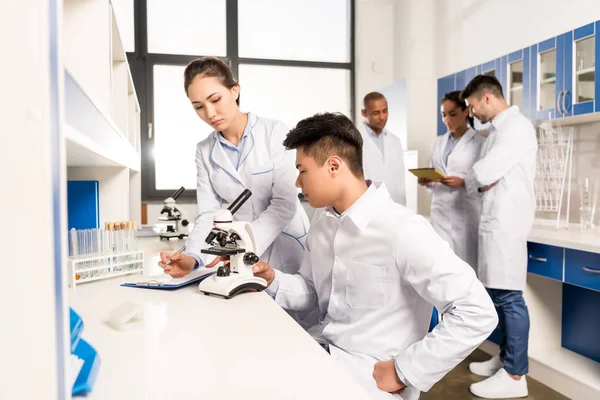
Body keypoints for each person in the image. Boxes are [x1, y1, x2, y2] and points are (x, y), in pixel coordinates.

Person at [248, 112, 497, 400]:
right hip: (322, 355)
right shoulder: (321, 221)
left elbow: (477, 312)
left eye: (302, 171)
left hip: (368, 380)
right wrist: (273, 280)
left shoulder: (403, 230)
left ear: (333, 166)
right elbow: (312, 290)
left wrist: (405, 371)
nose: (297, 184)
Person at [157, 57, 311, 315]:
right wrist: (194, 258)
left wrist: (241, 247)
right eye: (198, 107)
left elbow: (284, 204)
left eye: (215, 100)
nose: (210, 113)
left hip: (287, 247)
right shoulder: (204, 150)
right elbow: (209, 213)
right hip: (240, 254)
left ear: (234, 90)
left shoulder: (274, 132)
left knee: (295, 323)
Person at [461, 75, 537, 399]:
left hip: (506, 225)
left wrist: (477, 176)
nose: (472, 112)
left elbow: (483, 173)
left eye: (472, 105)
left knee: (510, 299)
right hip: (496, 223)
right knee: (500, 296)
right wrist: (478, 177)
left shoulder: (515, 128)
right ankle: (506, 360)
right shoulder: (498, 130)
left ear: (487, 99)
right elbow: (480, 176)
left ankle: (516, 377)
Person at [418, 90, 484, 270]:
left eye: (452, 114)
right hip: (439, 213)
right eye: (443, 115)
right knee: (440, 268)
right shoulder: (438, 143)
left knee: (464, 270)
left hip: (465, 215)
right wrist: (428, 181)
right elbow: (435, 170)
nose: (447, 119)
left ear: (466, 111)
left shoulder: (479, 143)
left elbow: (485, 179)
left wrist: (463, 182)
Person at [359, 92, 407, 205]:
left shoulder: (395, 141)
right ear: (364, 113)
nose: (382, 117)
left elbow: (399, 180)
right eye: (376, 113)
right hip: (368, 205)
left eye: (385, 111)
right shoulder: (356, 141)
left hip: (395, 205)